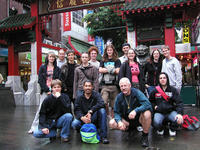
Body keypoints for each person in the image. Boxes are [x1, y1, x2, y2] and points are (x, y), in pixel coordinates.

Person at [109, 77, 152, 147]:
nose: (123, 88)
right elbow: (116, 112)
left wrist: (136, 111)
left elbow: (147, 104)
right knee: (112, 123)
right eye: (121, 86)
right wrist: (119, 122)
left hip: (138, 118)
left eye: (125, 85)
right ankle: (128, 128)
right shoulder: (119, 97)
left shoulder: (137, 92)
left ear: (130, 85)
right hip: (127, 120)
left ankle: (145, 136)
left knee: (147, 113)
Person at [28, 52, 61, 134]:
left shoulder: (57, 68)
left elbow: (59, 80)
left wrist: (54, 90)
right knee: (40, 109)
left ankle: (54, 127)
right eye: (50, 56)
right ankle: (34, 126)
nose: (52, 58)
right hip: (45, 91)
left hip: (55, 91)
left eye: (53, 57)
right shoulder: (43, 67)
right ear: (47, 58)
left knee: (55, 108)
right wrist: (47, 90)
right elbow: (40, 80)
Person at [72, 80, 109, 144]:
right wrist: (82, 117)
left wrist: (91, 111)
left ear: (92, 87)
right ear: (83, 87)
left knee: (102, 111)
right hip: (83, 118)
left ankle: (104, 137)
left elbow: (101, 103)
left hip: (93, 117)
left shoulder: (96, 94)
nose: (88, 88)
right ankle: (83, 132)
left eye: (89, 86)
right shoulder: (79, 97)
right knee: (74, 124)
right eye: (86, 86)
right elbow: (76, 109)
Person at [149, 72, 183, 136]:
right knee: (156, 122)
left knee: (180, 120)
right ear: (158, 80)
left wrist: (179, 114)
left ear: (167, 79)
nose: (162, 79)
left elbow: (179, 102)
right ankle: (161, 129)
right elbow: (150, 101)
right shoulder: (155, 90)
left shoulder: (173, 90)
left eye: (164, 78)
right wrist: (154, 106)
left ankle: (172, 128)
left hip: (170, 112)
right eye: (160, 78)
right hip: (159, 112)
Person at [99, 44, 121, 118]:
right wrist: (112, 69)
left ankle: (113, 118)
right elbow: (100, 70)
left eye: (110, 50)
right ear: (106, 51)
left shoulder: (117, 60)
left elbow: (118, 71)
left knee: (114, 104)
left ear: (113, 51)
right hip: (105, 85)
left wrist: (106, 69)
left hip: (114, 85)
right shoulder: (103, 60)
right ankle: (107, 115)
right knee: (104, 102)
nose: (109, 51)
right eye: (108, 50)